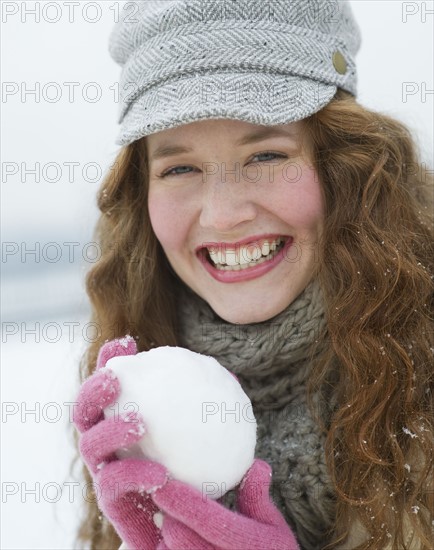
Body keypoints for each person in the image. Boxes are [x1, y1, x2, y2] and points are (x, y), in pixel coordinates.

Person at [73, 1, 434, 549]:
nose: (221, 215)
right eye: (180, 167)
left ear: (347, 167)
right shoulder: (135, 395)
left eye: (265, 155)